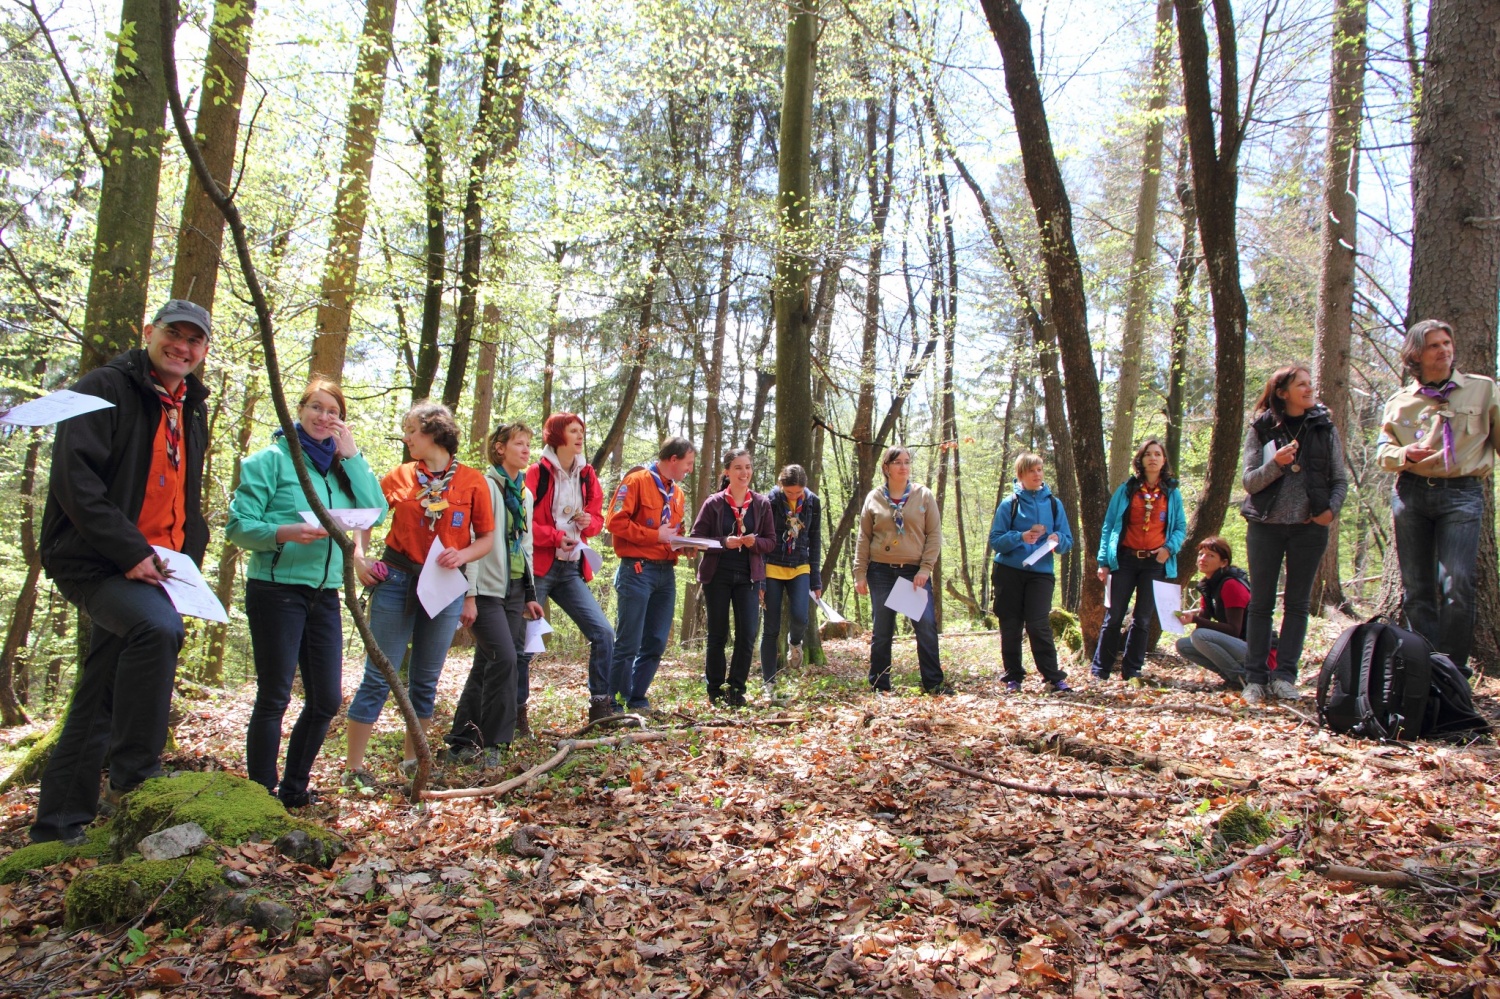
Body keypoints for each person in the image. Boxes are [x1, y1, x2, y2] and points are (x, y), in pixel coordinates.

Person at [31, 300, 212, 845]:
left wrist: (185, 558)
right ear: (149, 332)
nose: (182, 346)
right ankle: (135, 774)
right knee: (156, 631)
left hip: (158, 565)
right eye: (173, 334)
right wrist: (129, 550)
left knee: (100, 686)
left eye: (194, 340)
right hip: (97, 558)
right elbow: (75, 480)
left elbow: (182, 493)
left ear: (203, 351)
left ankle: (59, 823)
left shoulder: (190, 405)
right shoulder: (103, 387)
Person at [227, 379, 385, 807]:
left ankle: (294, 789)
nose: (324, 417)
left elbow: (375, 509)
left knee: (327, 699)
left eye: (333, 411)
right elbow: (239, 526)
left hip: (326, 593)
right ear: (298, 410)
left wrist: (352, 455)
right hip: (276, 589)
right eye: (316, 407)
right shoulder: (270, 461)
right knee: (275, 694)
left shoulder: (338, 468)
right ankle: (261, 792)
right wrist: (285, 532)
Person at [344, 403, 494, 785]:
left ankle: (414, 764)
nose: (407, 437)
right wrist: (361, 557)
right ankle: (354, 768)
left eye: (411, 430)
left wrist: (462, 554)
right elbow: (366, 516)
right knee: (380, 675)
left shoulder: (473, 481)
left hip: (444, 585)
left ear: (435, 431)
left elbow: (487, 538)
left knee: (426, 679)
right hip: (395, 580)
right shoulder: (400, 476)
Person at [1376, 319, 1500, 675]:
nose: (1444, 350)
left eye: (1447, 342)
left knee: (1457, 584)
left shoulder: (1483, 390)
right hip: (1411, 495)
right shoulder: (1400, 402)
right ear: (1416, 354)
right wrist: (1404, 455)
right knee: (1416, 588)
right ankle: (1424, 669)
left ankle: (1453, 670)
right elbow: (1383, 451)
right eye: (1434, 345)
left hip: (1462, 494)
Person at [1239, 365, 1348, 705]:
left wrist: (1331, 510)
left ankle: (1285, 676)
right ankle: (1255, 679)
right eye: (1301, 384)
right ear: (1283, 392)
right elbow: (1250, 482)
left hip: (1308, 529)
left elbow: (1339, 478)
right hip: (1265, 528)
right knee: (1260, 605)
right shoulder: (1261, 427)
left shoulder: (1323, 426)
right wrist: (1277, 464)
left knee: (1298, 605)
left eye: (1310, 383)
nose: (1309, 388)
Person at [445, 422, 545, 767]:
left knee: (488, 663)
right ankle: (493, 744)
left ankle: (461, 740)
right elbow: (472, 539)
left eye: (529, 444)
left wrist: (531, 593)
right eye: (519, 443)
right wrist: (469, 594)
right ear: (499, 448)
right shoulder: (484, 486)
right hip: (486, 590)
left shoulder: (525, 494)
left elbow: (525, 545)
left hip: (516, 591)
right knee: (504, 659)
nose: (526, 449)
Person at [523, 413, 615, 725]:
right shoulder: (537, 473)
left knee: (603, 633)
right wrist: (555, 537)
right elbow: (523, 524)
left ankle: (600, 709)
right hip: (538, 568)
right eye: (573, 431)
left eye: (581, 432)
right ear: (557, 435)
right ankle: (516, 715)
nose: (579, 437)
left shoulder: (587, 474)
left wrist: (590, 522)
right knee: (525, 642)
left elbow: (598, 519)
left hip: (572, 568)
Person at [607, 437, 696, 713]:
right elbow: (614, 521)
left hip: (665, 574)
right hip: (637, 570)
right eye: (688, 463)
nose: (690, 469)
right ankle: (614, 701)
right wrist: (654, 535)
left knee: (656, 640)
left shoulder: (677, 494)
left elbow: (673, 533)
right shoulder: (636, 481)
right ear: (673, 459)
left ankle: (636, 696)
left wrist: (685, 546)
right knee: (629, 640)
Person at [853, 446, 951, 695]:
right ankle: (879, 685)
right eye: (898, 462)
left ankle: (933, 684)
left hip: (912, 573)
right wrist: (859, 572)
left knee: (925, 625)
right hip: (881, 572)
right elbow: (864, 537)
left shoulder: (923, 495)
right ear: (886, 467)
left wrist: (925, 568)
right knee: (882, 629)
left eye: (907, 462)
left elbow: (934, 535)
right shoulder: (874, 497)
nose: (904, 467)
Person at [1091, 439, 1186, 683]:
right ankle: (1100, 670)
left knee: (1142, 619)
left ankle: (1132, 671)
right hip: (1124, 561)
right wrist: (1103, 561)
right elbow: (1109, 526)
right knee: (1113, 616)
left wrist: (1168, 548)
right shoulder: (1127, 489)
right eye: (1148, 454)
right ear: (1140, 460)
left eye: (1158, 454)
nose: (1153, 458)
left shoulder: (1171, 493)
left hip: (1155, 563)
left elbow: (1180, 528)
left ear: (1164, 460)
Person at [691, 449, 776, 707]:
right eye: (738, 467)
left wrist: (754, 543)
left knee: (747, 634)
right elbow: (697, 539)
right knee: (718, 634)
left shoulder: (761, 504)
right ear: (727, 472)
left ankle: (736, 689)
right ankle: (715, 690)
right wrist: (723, 542)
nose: (744, 472)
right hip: (717, 575)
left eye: (748, 467)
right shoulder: (714, 503)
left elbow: (771, 542)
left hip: (749, 577)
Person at [988, 452, 1073, 693]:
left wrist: (1058, 539)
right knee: (1011, 625)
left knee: (1038, 624)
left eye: (1039, 470)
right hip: (1009, 571)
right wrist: (1020, 537)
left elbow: (1068, 540)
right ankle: (1013, 677)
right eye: (1031, 471)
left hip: (1041, 572)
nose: (1037, 474)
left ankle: (1053, 677)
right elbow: (996, 540)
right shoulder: (1010, 504)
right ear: (1021, 475)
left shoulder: (1055, 505)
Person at [761, 464, 822, 688]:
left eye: (799, 492)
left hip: (800, 566)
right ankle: (768, 682)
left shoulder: (813, 502)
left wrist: (816, 580)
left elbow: (815, 541)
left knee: (800, 616)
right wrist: (759, 578)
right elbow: (761, 539)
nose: (795, 496)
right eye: (789, 493)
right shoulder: (770, 501)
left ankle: (794, 642)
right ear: (780, 485)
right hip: (772, 566)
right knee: (771, 626)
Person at [1174, 536, 1256, 690]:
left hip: (1254, 649)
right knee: (1184, 645)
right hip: (1236, 646)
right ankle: (1230, 676)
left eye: (1210, 555)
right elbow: (1202, 624)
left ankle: (1242, 677)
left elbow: (1234, 630)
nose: (1203, 559)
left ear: (1223, 562)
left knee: (1199, 637)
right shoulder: (1208, 585)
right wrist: (1187, 620)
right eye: (1201, 554)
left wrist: (1195, 619)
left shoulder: (1231, 585)